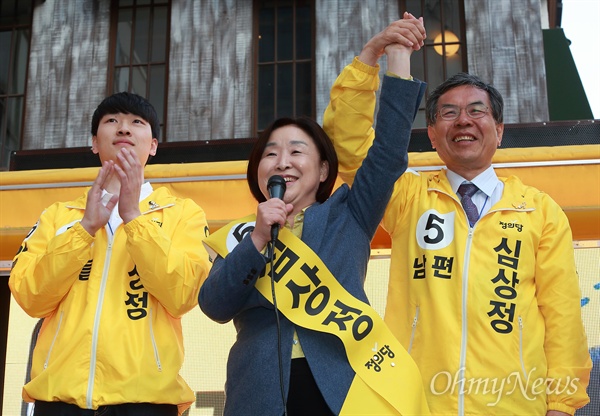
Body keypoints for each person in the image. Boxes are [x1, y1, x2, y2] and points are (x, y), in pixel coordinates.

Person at [323, 14, 593, 416]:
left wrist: (562, 404)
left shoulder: (540, 211)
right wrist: (369, 58)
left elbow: (563, 316)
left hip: (515, 406)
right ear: (432, 134)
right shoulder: (407, 196)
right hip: (415, 404)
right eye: (448, 113)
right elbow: (347, 149)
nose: (463, 120)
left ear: (498, 130)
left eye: (476, 111)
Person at [198, 17, 428, 416]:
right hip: (259, 393)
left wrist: (390, 55)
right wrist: (256, 240)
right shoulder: (239, 235)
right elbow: (215, 305)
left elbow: (389, 153)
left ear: (323, 171)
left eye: (297, 152)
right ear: (257, 170)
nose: (282, 161)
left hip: (342, 391)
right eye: (271, 153)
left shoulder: (350, 214)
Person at [9, 92, 211, 416]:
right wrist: (85, 228)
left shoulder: (183, 213)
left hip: (147, 402)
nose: (124, 129)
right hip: (60, 400)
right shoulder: (58, 215)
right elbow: (31, 297)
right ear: (94, 142)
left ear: (154, 145)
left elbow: (184, 294)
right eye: (112, 121)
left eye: (137, 123)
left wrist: (133, 218)